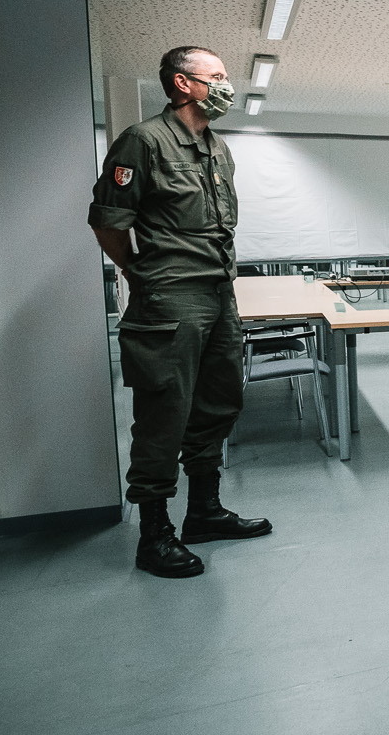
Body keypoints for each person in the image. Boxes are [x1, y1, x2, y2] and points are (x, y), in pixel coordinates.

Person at [88, 46, 270, 579]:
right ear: (182, 83)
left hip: (218, 292)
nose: (227, 85)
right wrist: (139, 273)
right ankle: (154, 535)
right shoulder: (144, 141)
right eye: (217, 76)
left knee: (218, 401)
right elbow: (108, 221)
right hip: (170, 296)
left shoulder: (217, 147)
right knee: (164, 412)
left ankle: (204, 512)